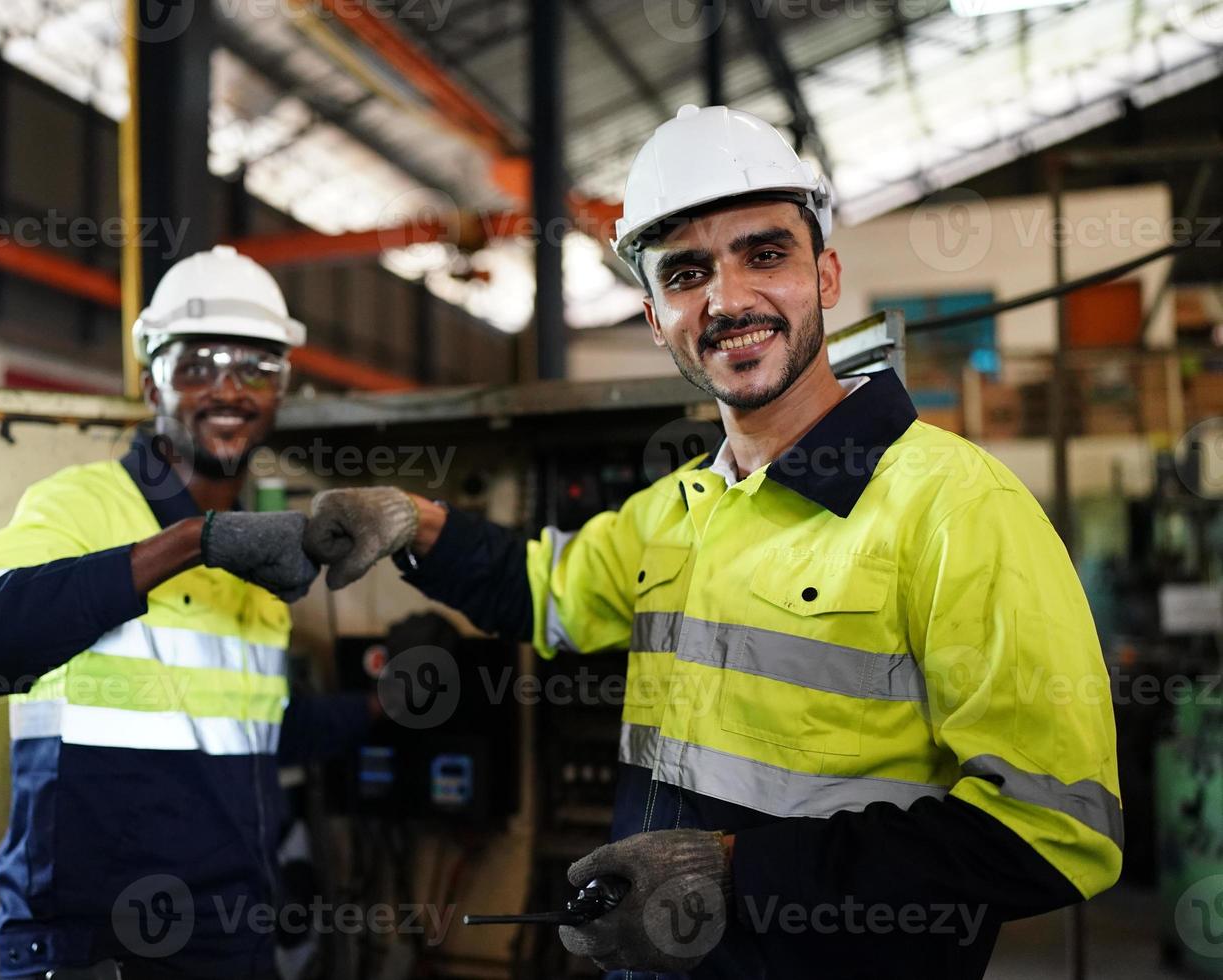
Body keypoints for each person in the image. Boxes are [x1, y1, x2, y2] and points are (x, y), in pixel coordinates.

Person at [302, 107, 1123, 978]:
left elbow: (1054, 831)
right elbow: (542, 589)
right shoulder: (679, 509)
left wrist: (734, 874)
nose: (729, 300)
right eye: (687, 273)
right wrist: (410, 520)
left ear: (827, 274)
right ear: (655, 317)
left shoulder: (957, 505)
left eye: (764, 253)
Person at [0, 245, 362, 979]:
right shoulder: (84, 503)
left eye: (256, 365)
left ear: (284, 384)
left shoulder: (264, 558)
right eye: (196, 364)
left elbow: (242, 737)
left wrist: (392, 708)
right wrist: (194, 541)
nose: (228, 389)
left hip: (230, 941)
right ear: (149, 379)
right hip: (95, 948)